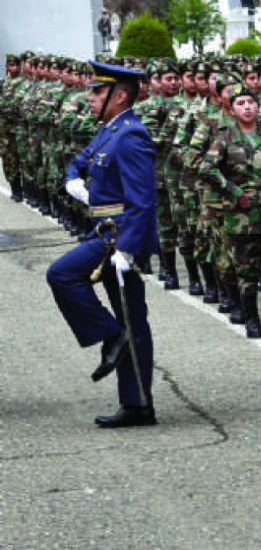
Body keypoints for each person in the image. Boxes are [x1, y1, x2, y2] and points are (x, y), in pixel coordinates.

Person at [47, 61, 157, 428]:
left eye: (97, 91)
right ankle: (137, 404)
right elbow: (77, 163)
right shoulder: (110, 131)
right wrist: (75, 184)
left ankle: (112, 337)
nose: (90, 97)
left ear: (119, 96)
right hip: (105, 230)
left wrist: (128, 248)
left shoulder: (131, 135)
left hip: (119, 237)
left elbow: (142, 200)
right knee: (131, 319)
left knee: (62, 274)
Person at [198, 83, 261, 338]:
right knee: (246, 268)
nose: (247, 107)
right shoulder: (225, 136)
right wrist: (234, 191)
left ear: (258, 106)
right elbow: (207, 168)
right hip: (240, 211)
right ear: (233, 109)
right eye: (241, 104)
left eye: (251, 102)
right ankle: (252, 317)